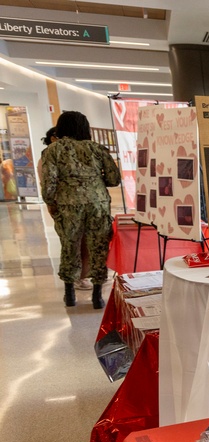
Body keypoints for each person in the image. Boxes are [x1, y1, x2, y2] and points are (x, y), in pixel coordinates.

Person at [39, 111, 121, 309]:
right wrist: (95, 180)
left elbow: (49, 182)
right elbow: (114, 179)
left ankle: (69, 294)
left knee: (70, 246)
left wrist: (51, 203)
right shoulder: (97, 149)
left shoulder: (53, 150)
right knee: (98, 247)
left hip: (68, 205)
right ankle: (97, 296)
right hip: (98, 203)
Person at [40, 127, 92, 292]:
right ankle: (76, 278)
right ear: (53, 138)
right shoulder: (49, 155)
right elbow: (47, 183)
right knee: (73, 243)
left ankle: (81, 276)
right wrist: (51, 204)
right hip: (64, 205)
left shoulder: (71, 153)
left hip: (76, 204)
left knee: (82, 242)